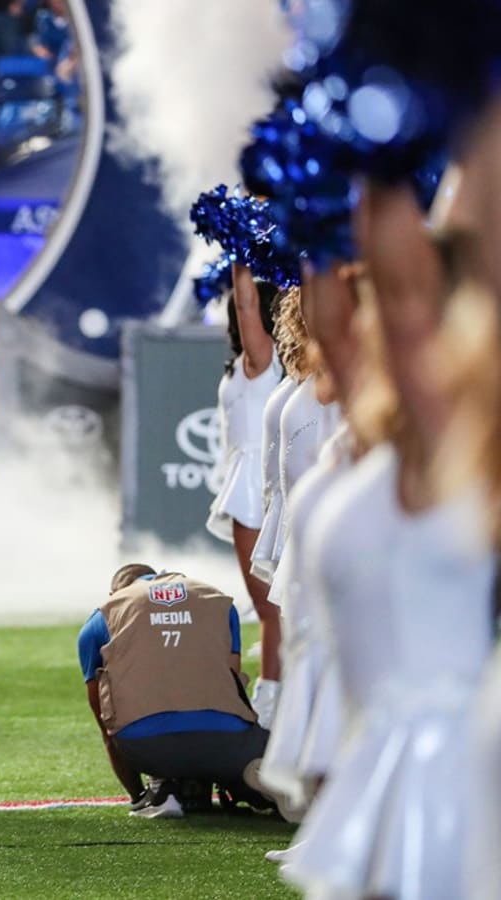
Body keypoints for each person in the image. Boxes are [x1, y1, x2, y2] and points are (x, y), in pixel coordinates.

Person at [78, 563, 271, 818]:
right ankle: (242, 781)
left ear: (115, 594)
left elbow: (104, 721)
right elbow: (232, 683)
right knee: (236, 733)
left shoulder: (104, 615)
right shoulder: (219, 602)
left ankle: (158, 790)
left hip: (147, 747)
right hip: (228, 742)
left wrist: (137, 796)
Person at [203, 269, 282, 726]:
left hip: (258, 486)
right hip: (252, 481)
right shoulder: (244, 364)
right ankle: (276, 706)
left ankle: (271, 714)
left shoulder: (264, 357)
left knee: (274, 613)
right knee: (274, 611)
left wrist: (240, 250)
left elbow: (249, 303)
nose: (236, 307)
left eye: (240, 303)